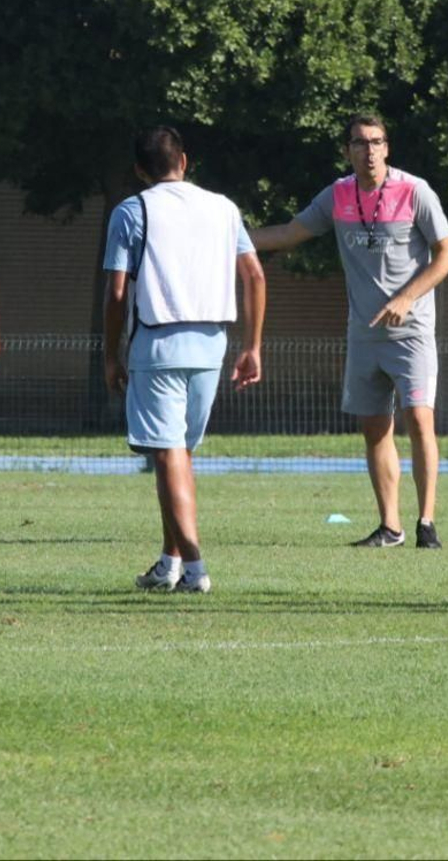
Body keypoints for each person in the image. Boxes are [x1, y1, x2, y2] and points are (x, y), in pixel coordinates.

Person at [249, 115, 448, 549]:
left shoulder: (415, 190)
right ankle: (391, 527)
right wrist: (228, 237)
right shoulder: (338, 195)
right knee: (374, 428)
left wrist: (407, 298)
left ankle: (426, 523)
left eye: (377, 142)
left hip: (412, 332)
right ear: (348, 150)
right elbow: (290, 233)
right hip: (363, 335)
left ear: (388, 147)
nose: (369, 151)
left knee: (420, 420)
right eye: (360, 143)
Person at [101, 126, 266, 594]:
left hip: (157, 342)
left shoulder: (132, 210)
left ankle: (194, 564)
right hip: (212, 342)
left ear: (139, 170)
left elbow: (116, 292)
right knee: (178, 454)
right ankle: (169, 562)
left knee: (169, 453)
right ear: (185, 162)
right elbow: (254, 275)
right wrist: (253, 346)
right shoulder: (224, 208)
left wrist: (111, 354)